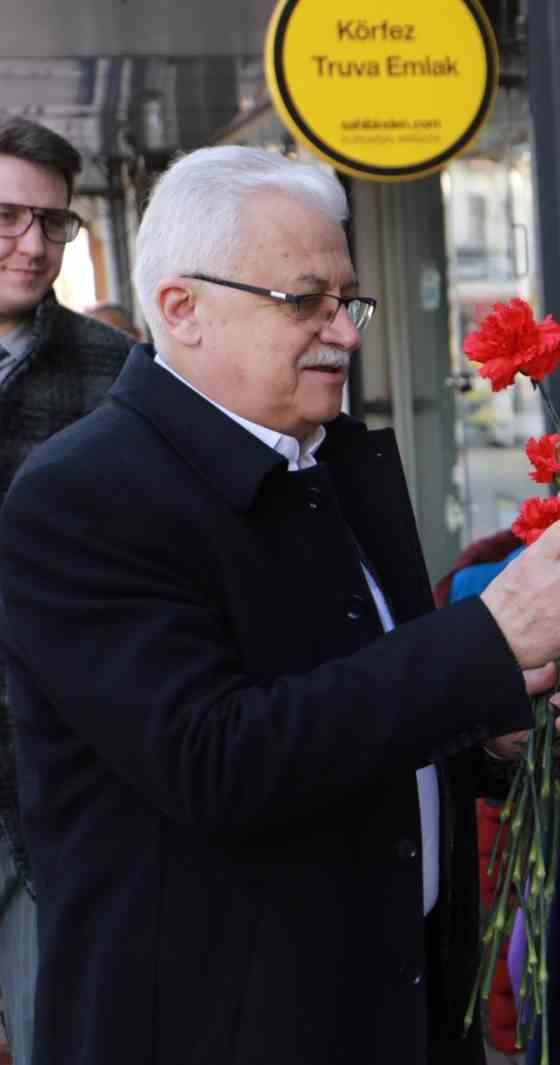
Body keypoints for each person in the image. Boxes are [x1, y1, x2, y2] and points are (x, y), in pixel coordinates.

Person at [0, 146, 560, 1065]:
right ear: (182, 308)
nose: (345, 331)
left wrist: (493, 732)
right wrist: (486, 642)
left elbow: (367, 718)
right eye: (304, 301)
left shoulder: (333, 461)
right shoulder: (82, 495)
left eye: (348, 299)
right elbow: (218, 762)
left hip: (395, 1008)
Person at [0, 114, 134, 1065]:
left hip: (50, 769)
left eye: (53, 222)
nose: (32, 244)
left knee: (58, 1026)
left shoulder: (114, 371)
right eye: (7, 216)